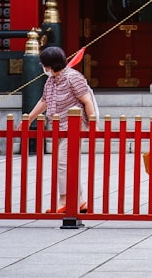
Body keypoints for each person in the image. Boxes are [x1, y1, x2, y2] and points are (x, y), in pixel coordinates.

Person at [23, 46, 97, 213]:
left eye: (44, 64)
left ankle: (64, 199)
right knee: (69, 163)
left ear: (51, 65)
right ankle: (79, 200)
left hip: (75, 127)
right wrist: (29, 118)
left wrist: (92, 124)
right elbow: (44, 101)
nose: (43, 67)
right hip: (59, 126)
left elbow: (87, 100)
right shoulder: (51, 80)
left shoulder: (73, 77)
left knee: (63, 163)